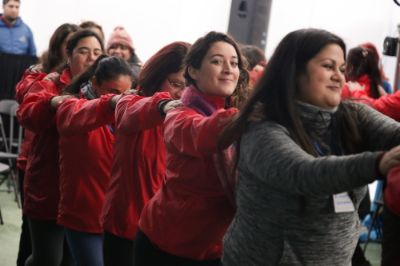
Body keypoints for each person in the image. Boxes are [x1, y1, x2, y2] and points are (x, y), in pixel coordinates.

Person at [220, 28, 400, 266]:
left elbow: (395, 134)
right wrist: (378, 163)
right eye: (328, 66)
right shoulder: (261, 128)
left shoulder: (353, 115)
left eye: (342, 69)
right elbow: (304, 173)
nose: (339, 77)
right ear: (293, 72)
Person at [135, 31, 248, 266]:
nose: (228, 69)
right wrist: (248, 117)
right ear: (193, 71)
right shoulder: (180, 114)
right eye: (217, 61)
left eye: (234, 63)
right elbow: (202, 134)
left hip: (216, 248)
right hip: (165, 245)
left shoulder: (237, 117)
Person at [16, 29, 103, 266]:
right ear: (69, 55)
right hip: (48, 185)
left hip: (82, 192)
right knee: (47, 259)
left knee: (70, 259)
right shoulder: (50, 83)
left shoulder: (101, 89)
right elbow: (27, 114)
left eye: (97, 52)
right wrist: (52, 103)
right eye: (83, 51)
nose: (91, 58)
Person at [102, 41, 190, 266]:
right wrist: (162, 106)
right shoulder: (131, 101)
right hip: (126, 228)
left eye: (189, 87)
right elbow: (129, 114)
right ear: (156, 76)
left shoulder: (189, 120)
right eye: (176, 83)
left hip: (164, 235)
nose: (181, 93)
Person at [50, 55, 133, 266]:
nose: (118, 99)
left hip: (114, 218)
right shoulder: (72, 107)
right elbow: (75, 117)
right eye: (113, 92)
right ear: (95, 82)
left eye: (125, 94)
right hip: (82, 214)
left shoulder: (127, 117)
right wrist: (111, 103)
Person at [14, 22, 79, 266]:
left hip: (69, 176)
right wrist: (50, 93)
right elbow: (26, 104)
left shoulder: (89, 85)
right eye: (70, 46)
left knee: (64, 252)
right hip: (35, 164)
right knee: (34, 244)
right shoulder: (42, 75)